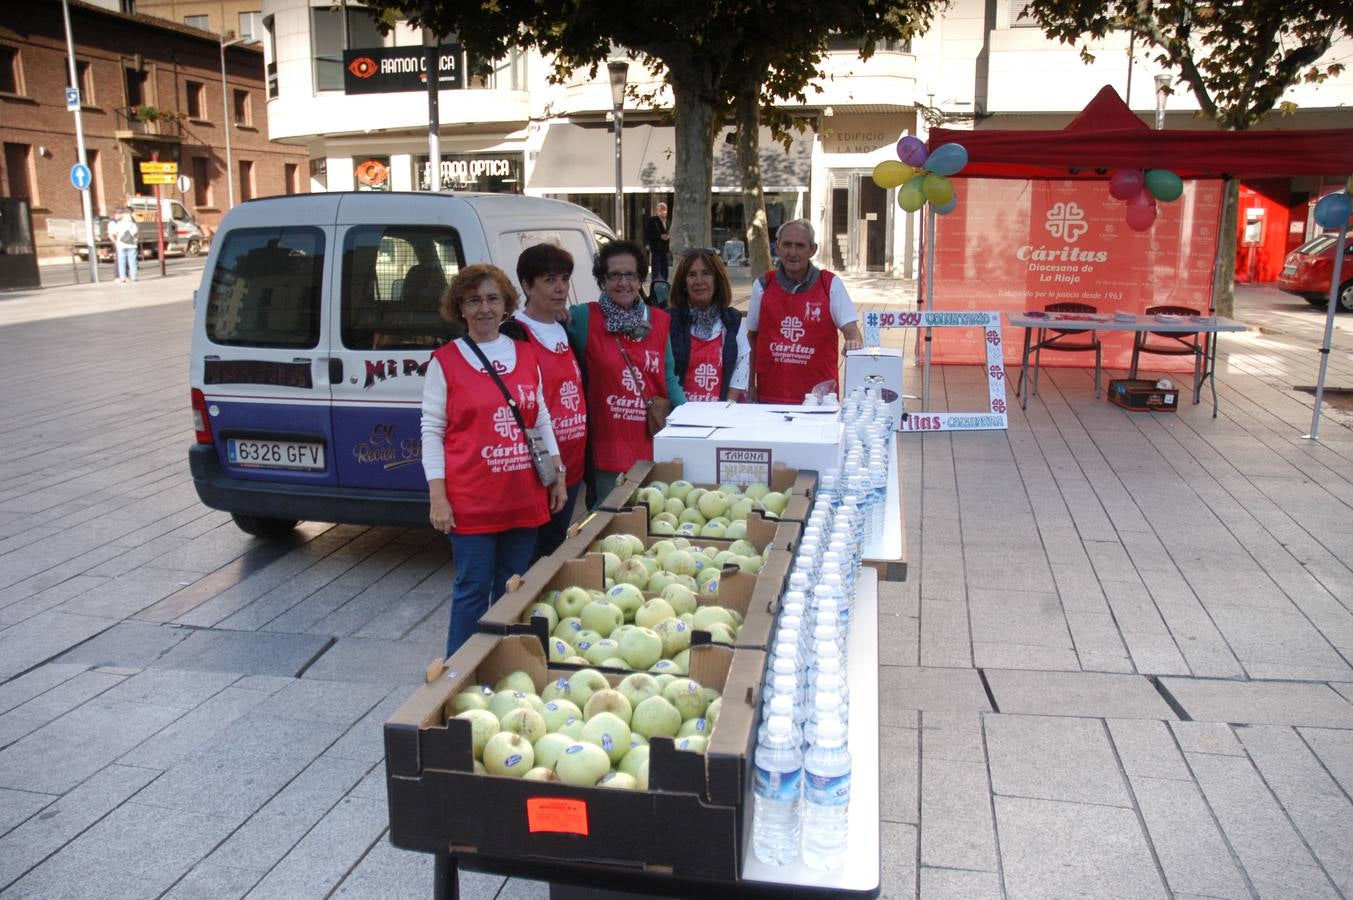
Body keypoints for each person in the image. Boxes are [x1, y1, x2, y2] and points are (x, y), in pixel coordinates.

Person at [421, 264, 568, 657]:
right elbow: (431, 431)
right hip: (471, 500)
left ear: (506, 305)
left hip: (522, 494)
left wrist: (558, 474)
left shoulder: (525, 353)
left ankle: (504, 662)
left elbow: (540, 417)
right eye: (473, 300)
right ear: (460, 308)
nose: (483, 308)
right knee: (472, 588)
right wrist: (438, 496)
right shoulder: (445, 361)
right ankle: (459, 673)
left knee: (513, 584)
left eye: (492, 299)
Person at [565, 239, 686, 503]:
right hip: (607, 452)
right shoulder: (584, 318)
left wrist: (690, 423)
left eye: (630, 275)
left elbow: (668, 378)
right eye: (614, 275)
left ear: (641, 278)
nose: (623, 283)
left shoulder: (659, 320)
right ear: (602, 280)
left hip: (653, 445)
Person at [502, 243, 587, 559]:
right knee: (528, 558)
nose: (561, 288)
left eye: (564, 279)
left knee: (554, 549)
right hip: (538, 471)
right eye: (550, 280)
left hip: (572, 466)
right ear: (526, 285)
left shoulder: (564, 328)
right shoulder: (514, 334)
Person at [747, 219, 864, 404]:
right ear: (777, 247)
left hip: (819, 400)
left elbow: (853, 333)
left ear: (813, 250)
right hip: (770, 396)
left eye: (800, 246)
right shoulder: (763, 285)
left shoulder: (830, 285)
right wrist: (749, 385)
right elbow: (751, 338)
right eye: (786, 245)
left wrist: (854, 343)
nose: (792, 253)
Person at [668, 247, 749, 402]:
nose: (699, 281)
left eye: (706, 273)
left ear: (717, 280)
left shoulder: (732, 321)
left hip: (719, 416)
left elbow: (742, 365)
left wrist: (725, 409)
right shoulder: (670, 321)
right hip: (679, 415)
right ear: (683, 283)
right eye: (692, 275)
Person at [109, 209, 139, 284]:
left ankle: (122, 278)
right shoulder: (133, 224)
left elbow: (114, 233)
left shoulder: (119, 224)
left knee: (121, 261)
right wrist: (135, 240)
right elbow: (136, 234)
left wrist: (116, 242)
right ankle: (134, 277)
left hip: (121, 245)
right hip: (132, 245)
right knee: (132, 261)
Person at [644, 202, 671, 284]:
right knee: (656, 267)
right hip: (656, 248)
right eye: (660, 210)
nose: (662, 212)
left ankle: (664, 282)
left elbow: (669, 231)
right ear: (657, 211)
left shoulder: (668, 221)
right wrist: (660, 236)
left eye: (664, 210)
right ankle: (655, 283)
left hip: (665, 248)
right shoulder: (652, 220)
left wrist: (668, 236)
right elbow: (648, 234)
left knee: (664, 267)